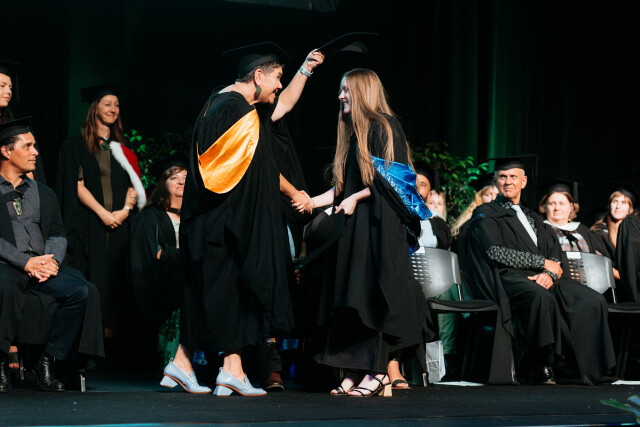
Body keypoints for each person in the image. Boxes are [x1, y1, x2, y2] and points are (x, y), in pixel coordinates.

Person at [177, 42, 324, 396]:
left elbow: (283, 105)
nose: (279, 85)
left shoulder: (220, 102)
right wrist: (295, 195)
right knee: (239, 288)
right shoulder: (237, 111)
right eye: (277, 77)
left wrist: (305, 70)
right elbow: (260, 171)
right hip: (226, 223)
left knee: (228, 292)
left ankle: (203, 365)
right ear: (258, 76)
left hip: (210, 223)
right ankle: (225, 369)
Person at [305, 69, 429, 397]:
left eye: (346, 90)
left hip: (380, 228)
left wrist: (354, 199)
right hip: (356, 229)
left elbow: (394, 181)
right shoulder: (354, 134)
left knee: (373, 296)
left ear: (362, 91)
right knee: (353, 297)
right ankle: (354, 369)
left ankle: (378, 372)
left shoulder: (383, 126)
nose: (340, 96)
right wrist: (310, 201)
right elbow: (343, 187)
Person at [464, 157, 615, 385]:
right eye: (502, 177)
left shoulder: (532, 216)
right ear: (495, 181)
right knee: (540, 297)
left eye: (513, 177)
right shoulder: (486, 213)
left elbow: (553, 253)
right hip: (507, 277)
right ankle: (541, 363)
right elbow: (495, 252)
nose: (508, 182)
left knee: (591, 300)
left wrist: (549, 274)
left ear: (523, 182)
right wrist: (541, 263)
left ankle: (585, 368)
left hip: (542, 276)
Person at [0, 118, 89, 392]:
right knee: (4, 288)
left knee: (79, 291)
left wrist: (51, 262)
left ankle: (46, 359)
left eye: (35, 146)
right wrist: (25, 262)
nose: (35, 152)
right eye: (28, 146)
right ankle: (1, 362)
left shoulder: (43, 192)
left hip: (41, 265)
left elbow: (58, 234)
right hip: (7, 265)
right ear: (6, 151)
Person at [57, 86, 144, 346]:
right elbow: (77, 186)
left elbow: (134, 186)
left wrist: (124, 212)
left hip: (120, 224)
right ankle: (89, 345)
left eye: (116, 105)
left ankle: (114, 346)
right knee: (93, 278)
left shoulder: (124, 148)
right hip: (90, 224)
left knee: (117, 282)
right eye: (107, 104)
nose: (113, 109)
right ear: (94, 108)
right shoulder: (75, 146)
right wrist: (104, 214)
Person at [129, 156, 196, 376]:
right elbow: (151, 256)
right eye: (174, 177)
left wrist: (169, 253)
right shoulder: (150, 217)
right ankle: (172, 361)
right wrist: (185, 257)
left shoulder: (196, 217)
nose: (181, 181)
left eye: (186, 177)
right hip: (161, 286)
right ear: (163, 183)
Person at [591, 185, 636, 269]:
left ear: (629, 209)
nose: (618, 206)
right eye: (615, 201)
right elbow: (599, 264)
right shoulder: (599, 233)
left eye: (623, 202)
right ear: (610, 205)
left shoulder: (634, 233)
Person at [451, 172, 498, 238]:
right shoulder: (469, 224)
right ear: (479, 197)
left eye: (497, 195)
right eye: (488, 194)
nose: (493, 198)